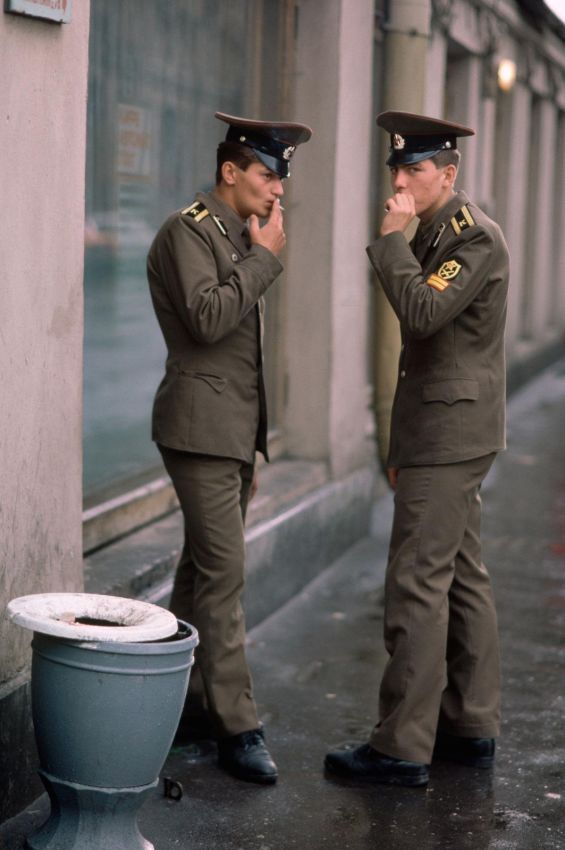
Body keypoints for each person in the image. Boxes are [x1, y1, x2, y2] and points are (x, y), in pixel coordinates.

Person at [325, 111, 509, 787]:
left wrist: (389, 240)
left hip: (450, 435)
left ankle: (401, 747)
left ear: (447, 175)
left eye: (415, 170)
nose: (400, 182)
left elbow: (424, 316)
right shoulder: (437, 231)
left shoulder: (471, 238)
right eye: (397, 170)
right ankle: (468, 725)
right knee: (460, 576)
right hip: (441, 430)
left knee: (416, 584)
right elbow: (423, 359)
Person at [147, 111, 312, 784]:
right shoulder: (188, 231)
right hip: (198, 431)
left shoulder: (231, 233)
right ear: (230, 172)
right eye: (267, 176)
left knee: (199, 573)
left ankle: (179, 701)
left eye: (279, 181)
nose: (276, 192)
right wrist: (264, 260)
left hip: (229, 431)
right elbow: (210, 318)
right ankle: (238, 725)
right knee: (224, 578)